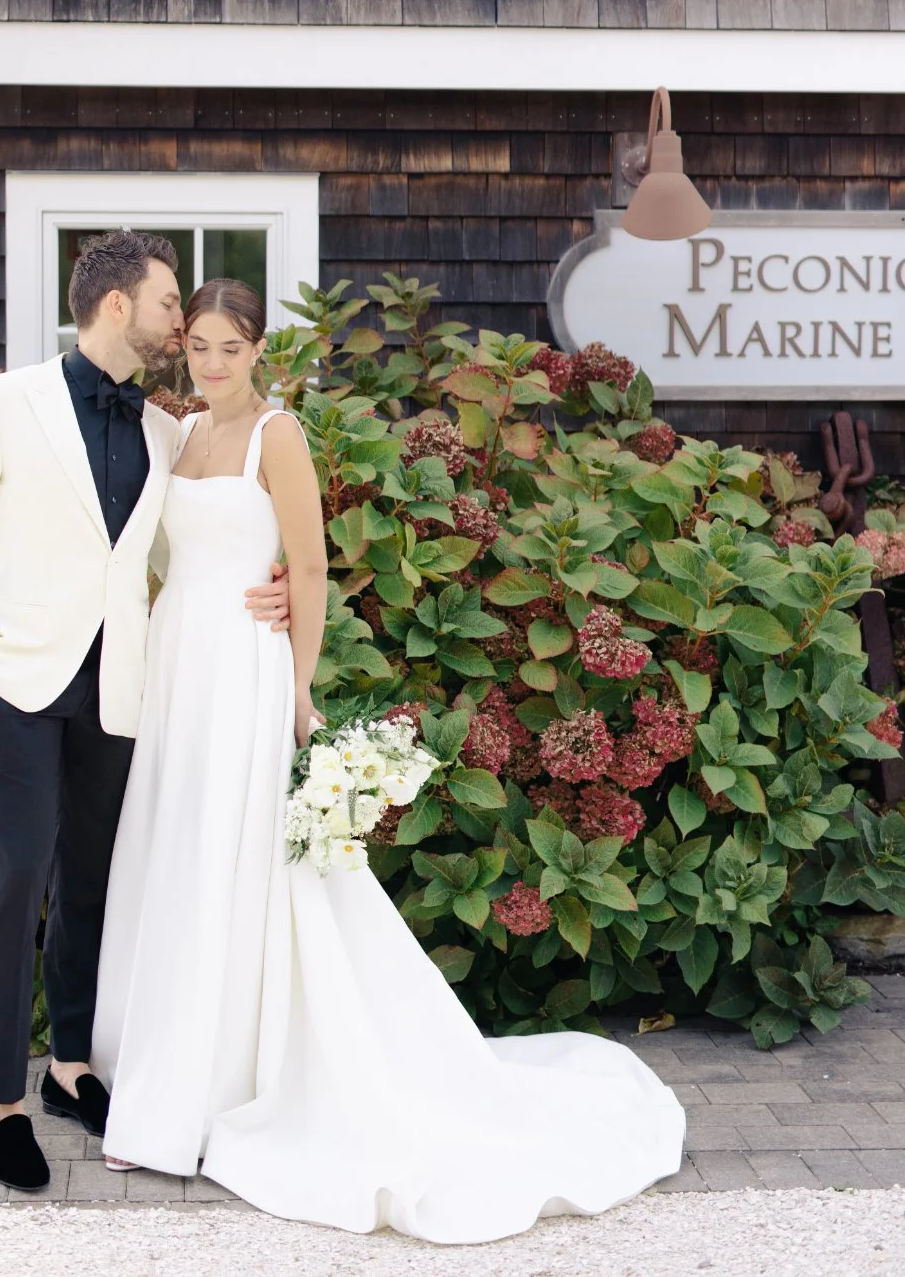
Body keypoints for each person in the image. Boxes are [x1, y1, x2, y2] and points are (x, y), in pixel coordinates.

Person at [91, 278, 686, 1244]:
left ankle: (201, 1096)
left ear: (260, 352)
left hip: (244, 673)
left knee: (230, 864)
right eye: (196, 344)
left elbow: (311, 563)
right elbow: (159, 557)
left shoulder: (276, 435)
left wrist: (297, 680)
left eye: (229, 348)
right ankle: (165, 1068)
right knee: (175, 852)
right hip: (176, 669)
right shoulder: (176, 433)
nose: (210, 362)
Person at [0, 233, 290, 1192]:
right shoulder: (1, 402)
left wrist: (276, 583)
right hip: (16, 681)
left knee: (91, 878)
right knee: (20, 877)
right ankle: (0, 1106)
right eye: (171, 304)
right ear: (119, 305)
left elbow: (210, 537)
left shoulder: (171, 432)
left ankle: (69, 1067)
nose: (183, 322)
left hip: (123, 686)